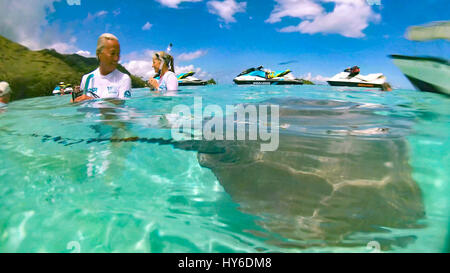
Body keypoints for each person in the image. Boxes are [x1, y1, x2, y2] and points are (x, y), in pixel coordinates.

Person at [72, 33, 131, 103]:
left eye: (118, 54)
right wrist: (75, 102)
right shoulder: (87, 78)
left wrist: (92, 101)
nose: (116, 58)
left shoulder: (123, 78)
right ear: (99, 54)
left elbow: (123, 106)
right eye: (112, 53)